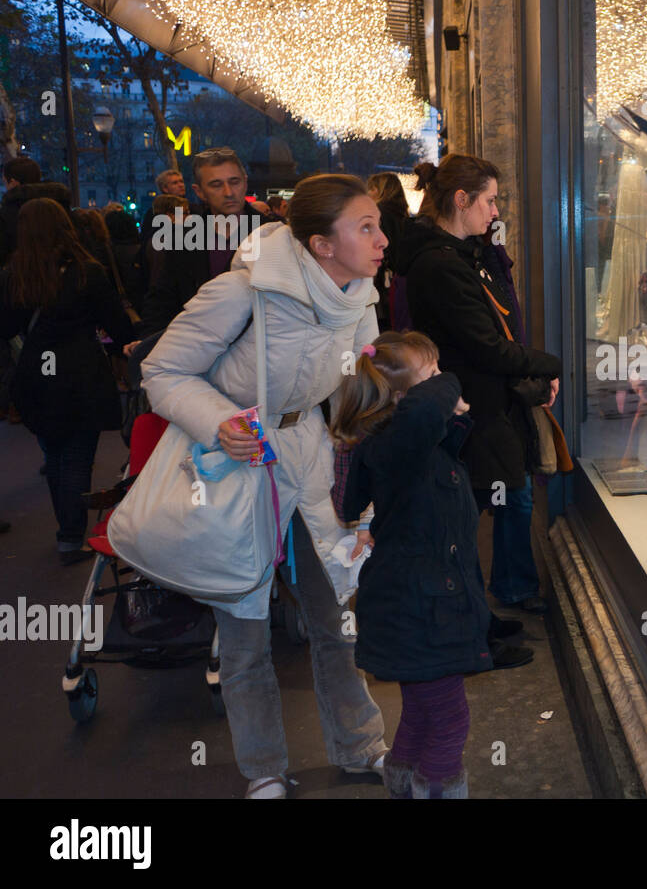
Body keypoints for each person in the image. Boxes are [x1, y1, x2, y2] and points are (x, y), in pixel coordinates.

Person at [141, 173, 389, 798]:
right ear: (321, 243)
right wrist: (219, 422)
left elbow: (363, 387)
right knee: (245, 631)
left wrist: (415, 406)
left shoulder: (359, 295)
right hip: (237, 464)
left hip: (308, 458)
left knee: (335, 616)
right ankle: (263, 771)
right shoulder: (241, 291)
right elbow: (161, 370)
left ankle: (361, 746)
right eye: (367, 226)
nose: (383, 238)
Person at [399, 154, 561, 638]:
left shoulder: (458, 254)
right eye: (489, 201)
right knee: (467, 519)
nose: (495, 213)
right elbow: (486, 346)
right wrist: (547, 364)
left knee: (496, 503)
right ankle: (469, 627)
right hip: (470, 409)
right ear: (461, 199)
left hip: (480, 405)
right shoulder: (441, 264)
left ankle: (481, 615)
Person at [333, 331, 490, 798]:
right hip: (422, 611)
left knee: (424, 709)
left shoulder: (410, 447)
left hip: (420, 606)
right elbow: (424, 412)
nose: (444, 384)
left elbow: (429, 423)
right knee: (449, 717)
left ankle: (403, 781)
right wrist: (450, 386)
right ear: (401, 401)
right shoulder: (394, 445)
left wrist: (447, 404)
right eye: (433, 375)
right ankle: (437, 789)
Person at [0, 199, 133, 564]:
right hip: (81, 370)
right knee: (76, 457)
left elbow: (7, 327)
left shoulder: (14, 274)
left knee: (54, 453)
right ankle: (71, 537)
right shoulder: (87, 271)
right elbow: (116, 324)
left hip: (37, 372)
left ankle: (67, 533)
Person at [137, 146, 260, 337]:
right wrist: (150, 343)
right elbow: (162, 299)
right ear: (199, 191)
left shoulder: (272, 232)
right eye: (216, 185)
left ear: (245, 182)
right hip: (199, 347)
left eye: (234, 182)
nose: (228, 192)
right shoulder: (182, 238)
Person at [0, 157, 72, 267]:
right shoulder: (61, 204)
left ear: (13, 183)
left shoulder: (8, 212)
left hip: (21, 276)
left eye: (5, 183)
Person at [366, 172, 410, 331]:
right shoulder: (403, 213)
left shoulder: (379, 212)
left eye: (370, 189)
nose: (368, 193)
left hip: (383, 280)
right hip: (400, 279)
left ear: (379, 190)